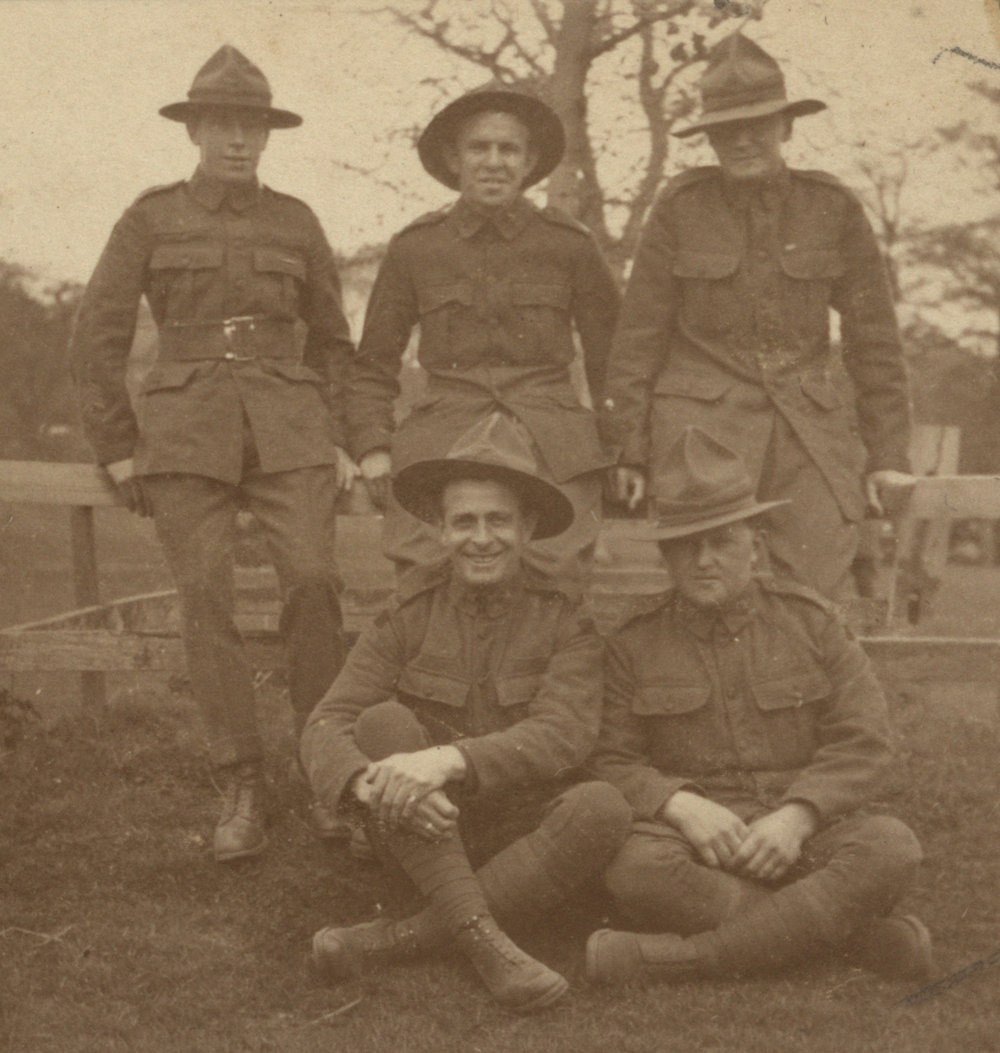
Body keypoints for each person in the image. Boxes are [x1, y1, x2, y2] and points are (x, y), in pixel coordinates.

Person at [71, 46, 357, 862]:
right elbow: (97, 333)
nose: (238, 140)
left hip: (290, 427)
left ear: (268, 136)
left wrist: (334, 432)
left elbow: (335, 340)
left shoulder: (295, 220)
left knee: (312, 579)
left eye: (253, 126)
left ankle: (327, 770)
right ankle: (239, 779)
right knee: (203, 592)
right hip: (186, 431)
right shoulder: (150, 217)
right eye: (223, 124)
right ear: (194, 129)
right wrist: (119, 447)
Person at [301, 413, 631, 1012]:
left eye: (498, 520)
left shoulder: (566, 617)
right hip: (421, 832)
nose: (481, 539)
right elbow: (328, 720)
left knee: (603, 807)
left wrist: (447, 759)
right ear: (441, 530)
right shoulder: (409, 614)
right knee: (380, 725)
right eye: (464, 522)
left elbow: (565, 734)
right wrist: (365, 785)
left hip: (526, 839)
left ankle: (397, 940)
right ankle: (489, 948)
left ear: (528, 526)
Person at [585, 426, 930, 987]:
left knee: (891, 846)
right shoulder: (632, 642)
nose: (703, 561)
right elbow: (608, 757)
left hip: (804, 833)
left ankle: (678, 962)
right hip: (696, 842)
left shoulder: (811, 622)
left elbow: (864, 740)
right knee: (634, 870)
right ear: (665, 555)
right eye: (685, 544)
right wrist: (678, 806)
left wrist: (798, 817)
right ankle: (852, 938)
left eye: (721, 540)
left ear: (756, 541)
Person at [603, 33, 913, 601]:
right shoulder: (680, 207)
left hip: (809, 430)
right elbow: (638, 338)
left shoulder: (832, 207)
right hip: (700, 432)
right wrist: (630, 448)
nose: (742, 140)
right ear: (710, 137)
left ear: (787, 127)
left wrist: (889, 455)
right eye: (726, 129)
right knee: (703, 591)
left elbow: (875, 343)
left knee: (822, 589)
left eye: (760, 124)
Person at [346, 81, 620, 586]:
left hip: (550, 432)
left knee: (554, 571)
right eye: (479, 147)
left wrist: (622, 452)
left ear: (530, 159)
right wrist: (373, 445)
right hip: (443, 428)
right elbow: (373, 364)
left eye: (508, 148)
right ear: (454, 158)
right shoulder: (416, 248)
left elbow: (614, 362)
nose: (494, 161)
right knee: (424, 566)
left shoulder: (569, 246)